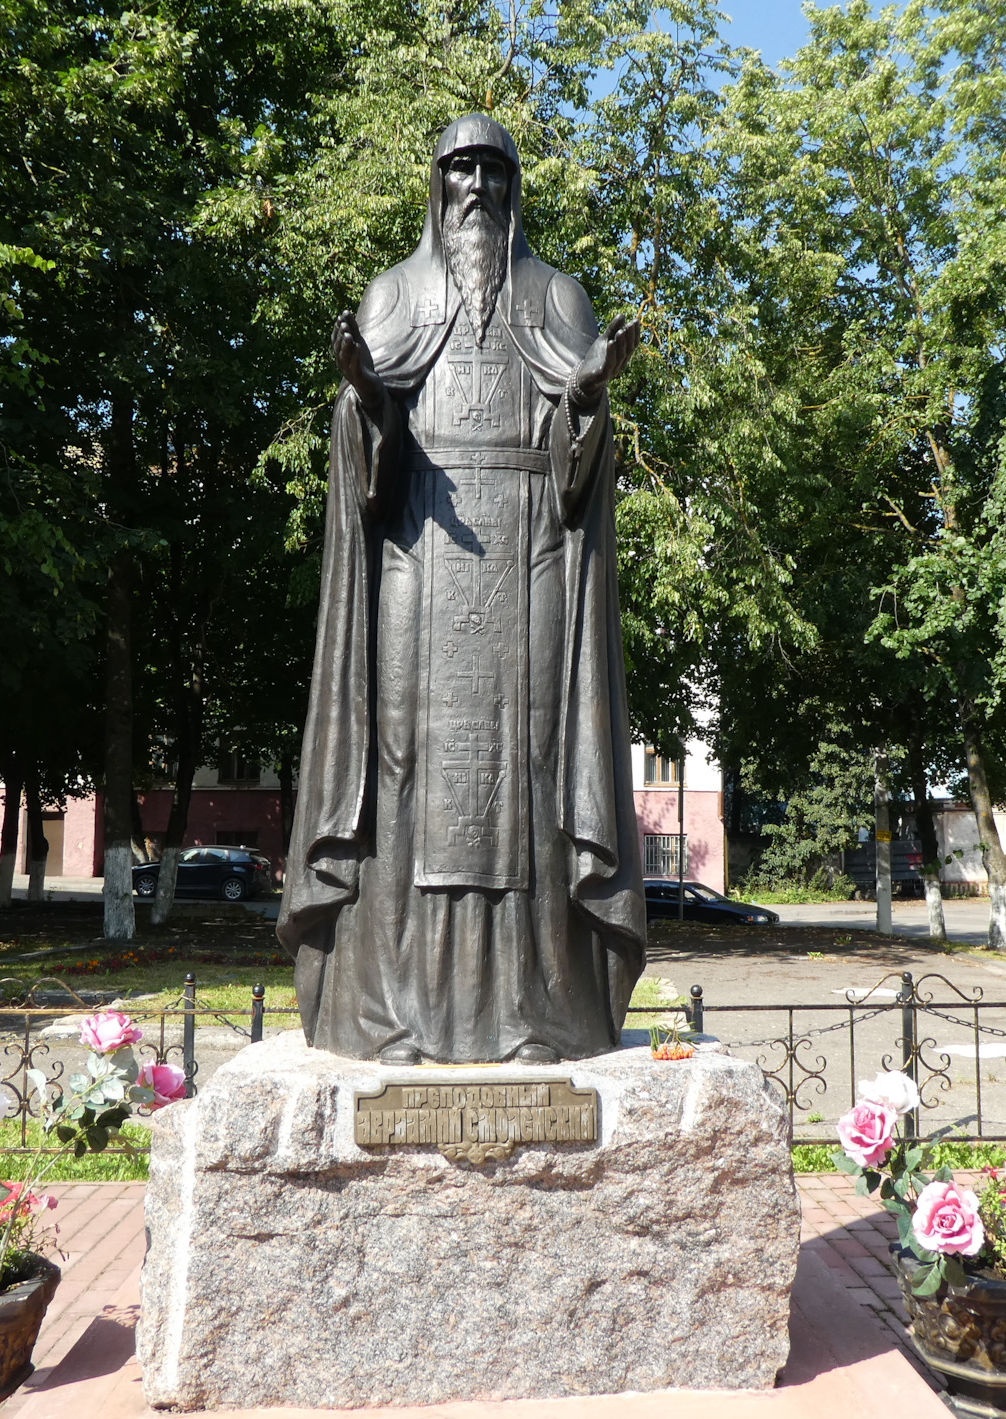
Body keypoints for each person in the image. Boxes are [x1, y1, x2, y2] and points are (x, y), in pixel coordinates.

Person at [276, 114, 647, 1066]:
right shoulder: (394, 295)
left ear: (513, 188)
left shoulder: (558, 299)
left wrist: (591, 398)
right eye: (459, 170)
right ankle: (392, 1014)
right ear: (435, 185)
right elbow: (371, 463)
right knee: (403, 765)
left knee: (527, 770)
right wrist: (363, 395)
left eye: (491, 170)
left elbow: (577, 474)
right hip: (416, 558)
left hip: (526, 560)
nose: (475, 188)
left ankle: (533, 1021)